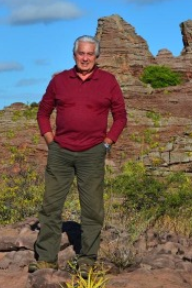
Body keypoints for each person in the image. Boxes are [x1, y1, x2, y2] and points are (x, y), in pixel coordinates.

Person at [29, 35, 127, 274]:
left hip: (92, 153)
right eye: (81, 53)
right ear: (75, 55)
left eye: (90, 54)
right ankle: (46, 259)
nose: (85, 58)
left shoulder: (108, 81)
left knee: (92, 209)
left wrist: (107, 143)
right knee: (51, 207)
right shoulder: (60, 81)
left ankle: (87, 260)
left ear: (96, 57)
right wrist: (50, 140)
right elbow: (43, 113)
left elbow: (120, 116)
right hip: (60, 152)